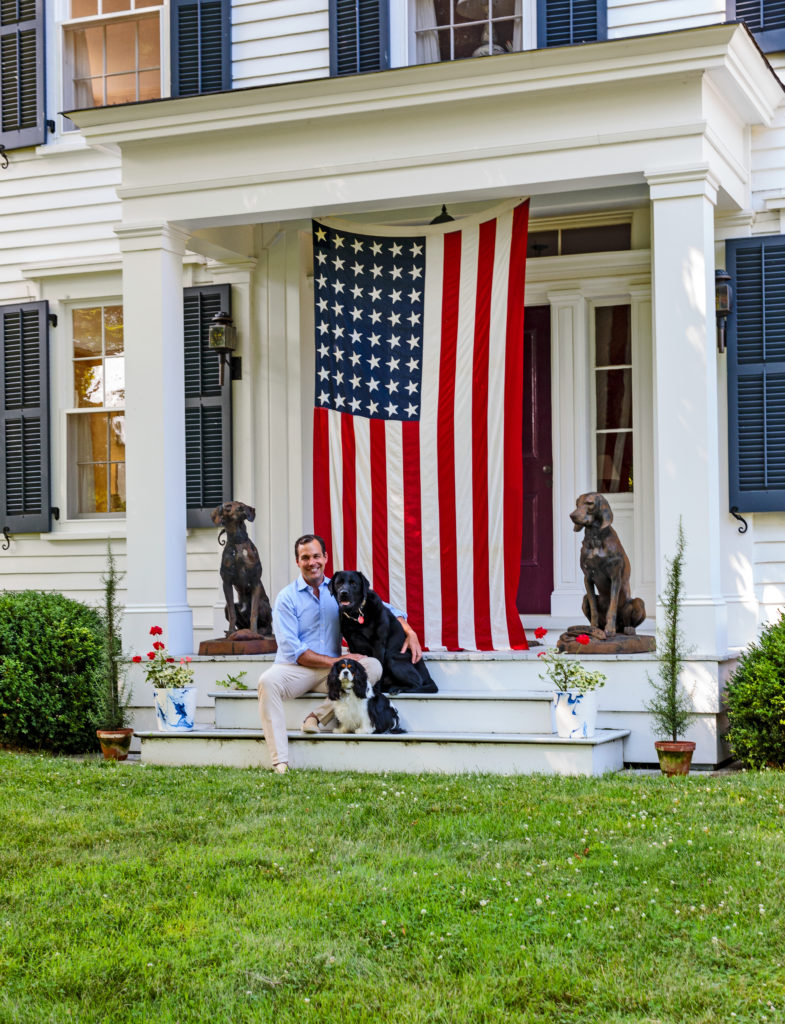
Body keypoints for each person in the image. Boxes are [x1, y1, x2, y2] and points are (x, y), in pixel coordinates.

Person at [257, 534, 422, 773]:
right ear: (297, 562)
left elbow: (381, 605)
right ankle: (280, 761)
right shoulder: (287, 598)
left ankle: (315, 716)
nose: (312, 562)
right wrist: (338, 661)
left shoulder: (337, 589)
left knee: (373, 666)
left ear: (325, 557)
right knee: (266, 682)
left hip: (331, 673)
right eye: (305, 558)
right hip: (294, 670)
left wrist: (407, 629)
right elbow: (296, 652)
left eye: (316, 556)